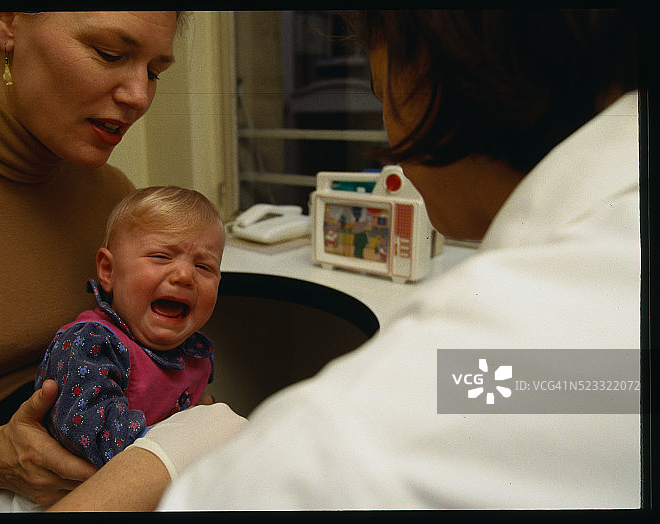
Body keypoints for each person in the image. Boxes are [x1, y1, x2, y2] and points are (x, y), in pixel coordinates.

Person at [51, 9, 644, 511]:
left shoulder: (358, 433)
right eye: (108, 53)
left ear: (425, 73)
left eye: (381, 95)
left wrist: (183, 444)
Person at [0, 12, 183, 512]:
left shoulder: (114, 200)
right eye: (109, 54)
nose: (138, 96)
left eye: (154, 71)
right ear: (7, 22)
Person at [0, 186, 228, 511]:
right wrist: (195, 438)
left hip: (153, 487)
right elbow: (95, 437)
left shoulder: (193, 350)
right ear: (108, 270)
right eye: (161, 256)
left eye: (204, 267)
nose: (185, 275)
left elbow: (196, 409)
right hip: (62, 497)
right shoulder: (89, 345)